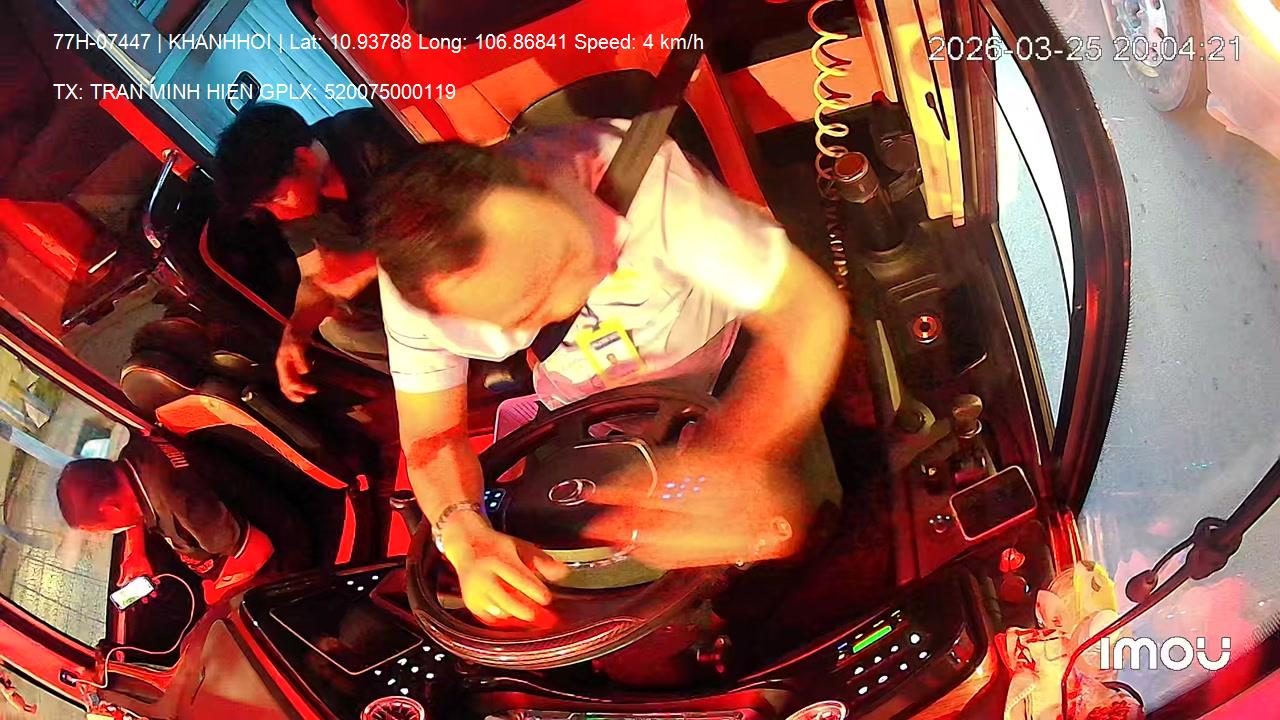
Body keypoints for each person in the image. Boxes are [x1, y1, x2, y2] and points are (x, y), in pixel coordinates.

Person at [365, 120, 850, 625]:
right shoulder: (419, 284)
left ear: (535, 178)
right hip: (583, 411)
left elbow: (808, 310)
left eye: (564, 258)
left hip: (721, 367)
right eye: (526, 313)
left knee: (803, 544)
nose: (567, 300)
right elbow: (432, 435)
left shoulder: (646, 178)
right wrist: (462, 533)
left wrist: (732, 457)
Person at [213, 102, 411, 400]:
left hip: (447, 260)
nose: (278, 214)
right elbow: (314, 275)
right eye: (266, 206)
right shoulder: (299, 207)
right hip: (397, 294)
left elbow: (451, 216)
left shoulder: (370, 141)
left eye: (277, 199)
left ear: (304, 159)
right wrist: (296, 330)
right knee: (335, 327)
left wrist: (367, 264)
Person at [56, 434, 311, 602]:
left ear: (111, 509)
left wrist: (217, 594)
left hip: (283, 548)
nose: (107, 533)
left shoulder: (186, 507)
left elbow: (257, 549)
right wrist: (136, 552)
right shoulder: (136, 450)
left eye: (102, 529)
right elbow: (128, 498)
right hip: (224, 535)